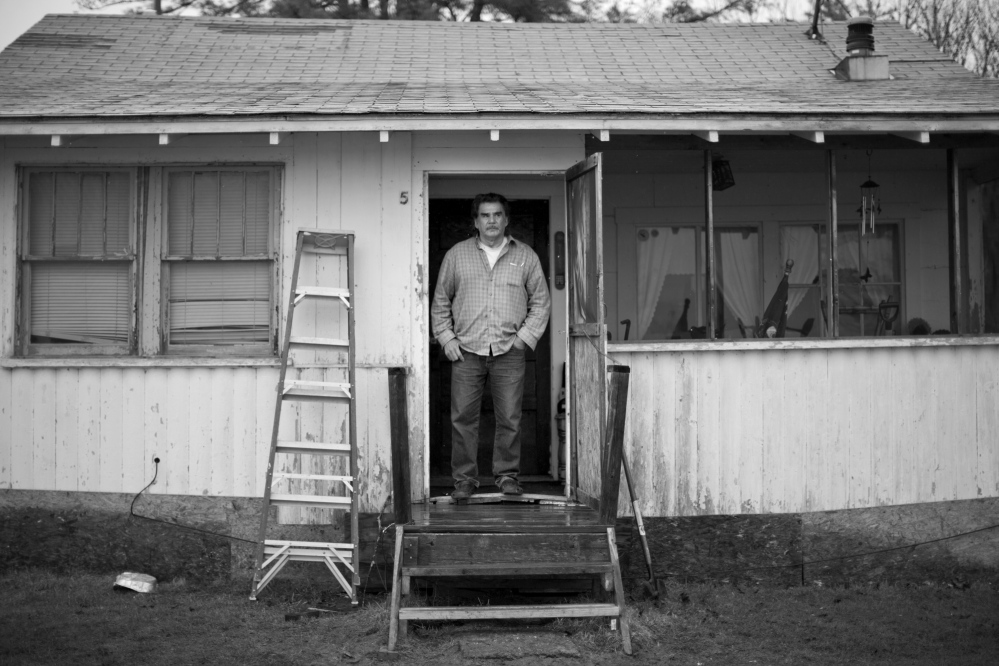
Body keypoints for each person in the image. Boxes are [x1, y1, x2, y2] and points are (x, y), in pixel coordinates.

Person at [431, 193, 552, 500]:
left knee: (510, 418)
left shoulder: (525, 256)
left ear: (506, 220)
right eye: (485, 215)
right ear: (475, 221)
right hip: (467, 350)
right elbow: (440, 302)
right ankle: (464, 481)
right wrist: (447, 338)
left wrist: (524, 340)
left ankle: (507, 477)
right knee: (462, 419)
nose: (492, 221)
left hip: (508, 351)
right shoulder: (457, 255)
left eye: (497, 215)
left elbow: (540, 303)